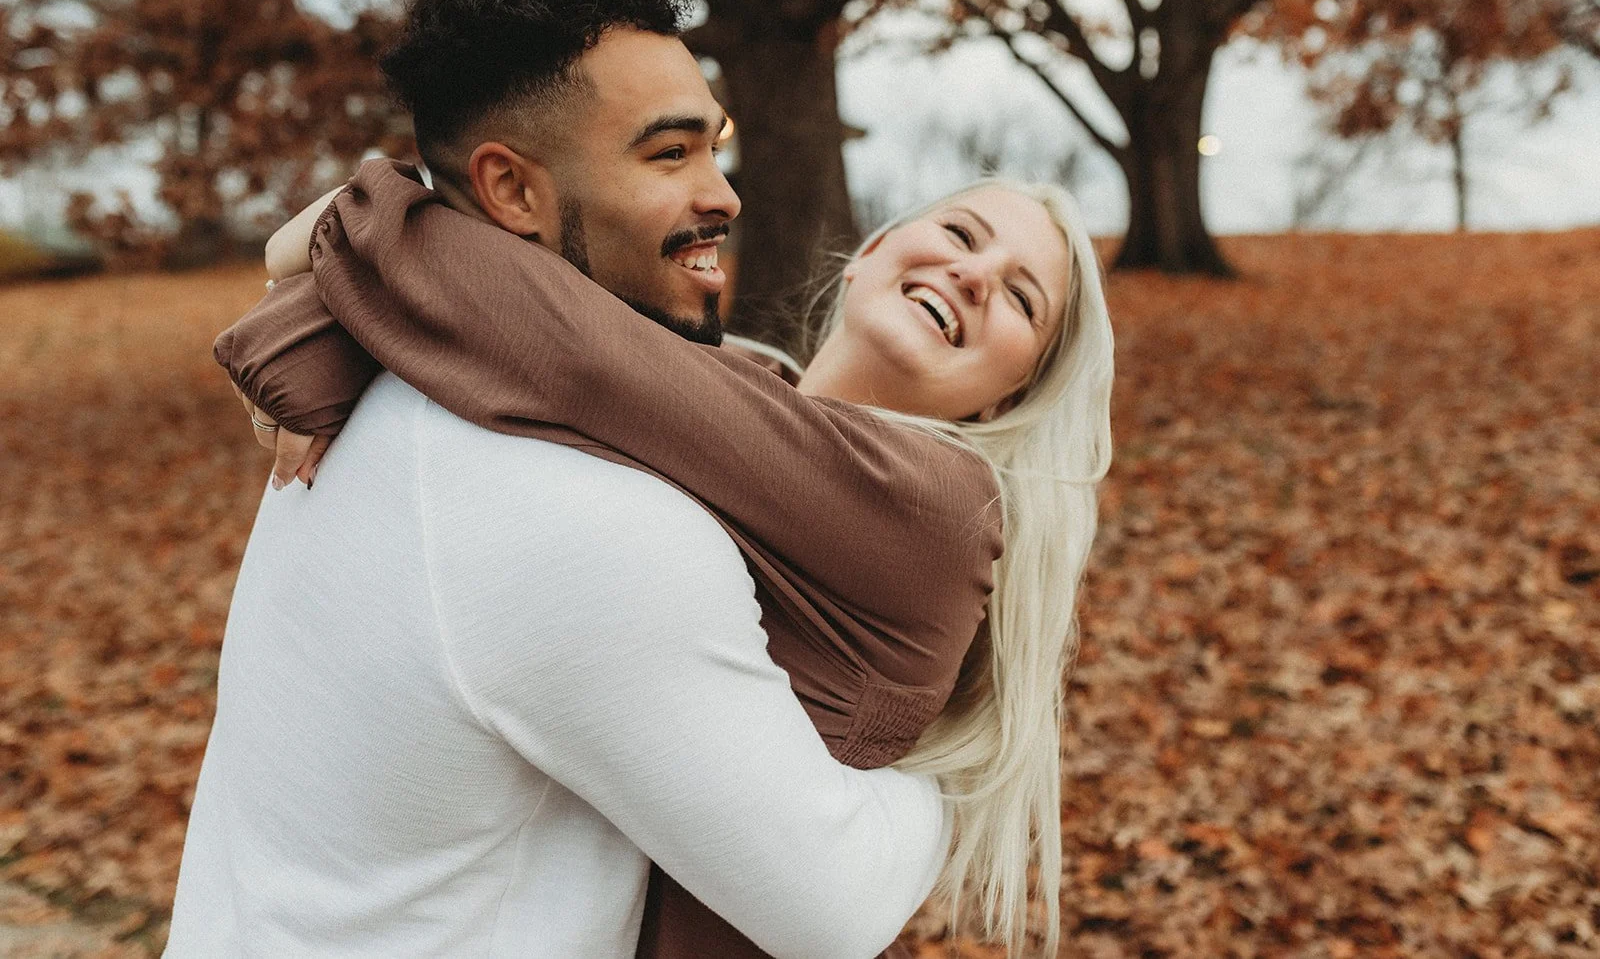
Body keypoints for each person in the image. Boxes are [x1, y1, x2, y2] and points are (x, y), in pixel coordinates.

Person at [167, 0, 965, 959]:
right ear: (512, 191)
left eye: (714, 148)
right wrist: (968, 744)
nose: (722, 194)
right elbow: (835, 905)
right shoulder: (575, 516)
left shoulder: (389, 377)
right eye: (668, 155)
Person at [221, 163, 1113, 959]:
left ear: (1014, 392)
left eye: (1023, 298)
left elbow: (567, 351)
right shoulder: (737, 396)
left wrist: (362, 222)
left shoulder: (940, 506)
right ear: (870, 251)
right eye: (962, 234)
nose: (972, 273)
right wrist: (334, 314)